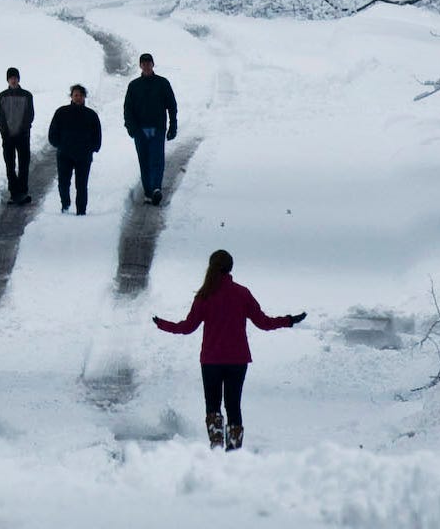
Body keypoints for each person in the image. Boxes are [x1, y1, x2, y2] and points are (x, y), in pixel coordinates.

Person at [151, 248, 304, 450]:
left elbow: (187, 328)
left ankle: (215, 445)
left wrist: (163, 324)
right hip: (237, 360)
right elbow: (263, 322)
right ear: (231, 268)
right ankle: (233, 450)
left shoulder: (204, 295)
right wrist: (289, 321)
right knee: (233, 405)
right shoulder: (242, 293)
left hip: (211, 360)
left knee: (213, 406)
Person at [122, 53, 179, 204]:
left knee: (157, 159)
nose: (146, 66)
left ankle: (156, 189)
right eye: (144, 63)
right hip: (140, 130)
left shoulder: (162, 83)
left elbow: (172, 106)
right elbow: (128, 109)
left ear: (153, 64)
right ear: (140, 65)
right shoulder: (134, 86)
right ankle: (148, 192)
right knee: (144, 161)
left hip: (157, 129)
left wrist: (173, 125)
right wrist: (131, 127)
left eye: (149, 63)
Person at [46, 83, 101, 214]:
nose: (78, 97)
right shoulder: (61, 112)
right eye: (76, 95)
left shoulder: (91, 115)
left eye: (81, 95)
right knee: (63, 183)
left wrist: (92, 148)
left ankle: (81, 210)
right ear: (71, 96)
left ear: (84, 97)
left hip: (84, 155)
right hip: (64, 154)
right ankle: (65, 205)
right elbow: (53, 132)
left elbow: (97, 135)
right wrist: (59, 144)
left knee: (81, 185)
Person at [0, 68, 35, 203]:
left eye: (15, 77)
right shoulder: (2, 96)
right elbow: (0, 117)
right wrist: (5, 132)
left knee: (24, 164)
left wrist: (23, 130)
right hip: (7, 137)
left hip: (23, 136)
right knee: (10, 165)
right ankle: (13, 192)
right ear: (7, 79)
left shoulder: (27, 95)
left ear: (19, 79)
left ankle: (23, 191)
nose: (13, 80)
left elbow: (30, 115)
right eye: (11, 78)